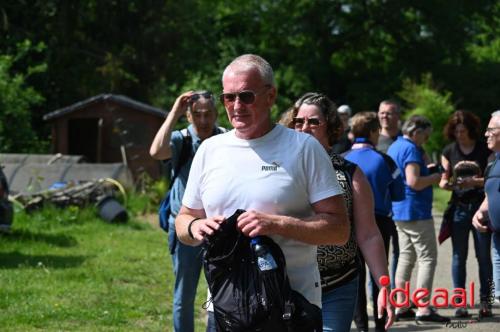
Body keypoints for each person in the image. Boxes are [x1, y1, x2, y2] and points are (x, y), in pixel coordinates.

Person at [174, 54, 350, 331]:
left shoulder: (304, 148)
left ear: (270, 95)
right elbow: (183, 219)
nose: (236, 106)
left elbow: (339, 230)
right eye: (228, 98)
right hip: (224, 307)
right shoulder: (210, 149)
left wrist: (276, 224)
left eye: (245, 96)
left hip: (291, 307)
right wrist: (197, 226)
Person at [281, 94, 394, 332]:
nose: (304, 128)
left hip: (338, 284)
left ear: (331, 127)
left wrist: (384, 285)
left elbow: (369, 234)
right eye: (298, 122)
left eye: (314, 122)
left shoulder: (350, 173)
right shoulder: (277, 170)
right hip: (288, 284)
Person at [149, 90, 224, 332]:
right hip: (185, 228)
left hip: (217, 227)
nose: (203, 120)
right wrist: (174, 112)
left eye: (208, 114)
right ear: (189, 116)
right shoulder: (181, 139)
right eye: (197, 114)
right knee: (185, 293)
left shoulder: (225, 139)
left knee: (222, 293)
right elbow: (156, 152)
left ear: (216, 114)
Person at [344, 112, 404, 332]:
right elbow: (399, 194)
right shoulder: (385, 160)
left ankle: (361, 327)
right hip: (379, 221)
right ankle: (381, 324)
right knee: (379, 273)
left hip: (348, 224)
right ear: (372, 132)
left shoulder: (341, 158)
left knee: (355, 276)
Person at [387, 115, 449, 323]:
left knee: (406, 257)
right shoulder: (411, 149)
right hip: (415, 211)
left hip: (399, 210)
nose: (426, 139)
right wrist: (435, 178)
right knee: (427, 258)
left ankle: (401, 304)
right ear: (417, 131)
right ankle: (423, 308)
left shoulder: (395, 146)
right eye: (426, 135)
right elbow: (413, 181)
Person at [439, 110, 492, 318]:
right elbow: (444, 180)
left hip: (481, 209)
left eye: (463, 130)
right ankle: (460, 303)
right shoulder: (449, 151)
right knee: (458, 257)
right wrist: (447, 184)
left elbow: (492, 178)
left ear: (471, 129)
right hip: (459, 209)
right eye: (456, 130)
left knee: (484, 257)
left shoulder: (483, 150)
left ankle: (486, 300)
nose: (459, 134)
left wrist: (473, 182)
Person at [473, 110, 500, 309]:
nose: (485, 134)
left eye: (491, 129)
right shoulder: (493, 162)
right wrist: (481, 211)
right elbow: (492, 193)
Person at [376, 100, 402, 290]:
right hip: (379, 209)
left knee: (401, 254)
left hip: (401, 207)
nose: (385, 116)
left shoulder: (404, 141)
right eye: (382, 113)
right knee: (379, 254)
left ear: (398, 117)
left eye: (389, 113)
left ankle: (396, 293)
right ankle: (376, 294)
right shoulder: (373, 141)